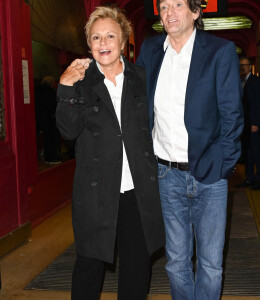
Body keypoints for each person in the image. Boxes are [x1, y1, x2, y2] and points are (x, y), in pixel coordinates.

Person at [136, 0, 243, 299]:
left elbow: (232, 115)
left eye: (178, 4)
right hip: (165, 174)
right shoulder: (150, 51)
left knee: (210, 264)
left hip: (209, 174)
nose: (169, 12)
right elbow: (133, 99)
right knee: (176, 262)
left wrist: (224, 166)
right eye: (164, 5)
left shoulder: (220, 51)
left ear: (196, 11)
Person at [55, 6, 165, 300]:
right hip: (95, 192)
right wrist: (65, 87)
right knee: (90, 266)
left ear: (124, 41)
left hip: (137, 191)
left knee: (137, 267)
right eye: (96, 37)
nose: (103, 43)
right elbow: (67, 131)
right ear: (89, 45)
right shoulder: (79, 81)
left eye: (110, 36)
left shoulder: (141, 78)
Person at [236, 56, 260, 190]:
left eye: (245, 65)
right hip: (243, 124)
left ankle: (259, 179)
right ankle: (249, 178)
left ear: (250, 66)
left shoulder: (256, 81)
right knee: (247, 152)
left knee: (256, 152)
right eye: (240, 65)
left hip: (253, 124)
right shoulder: (238, 81)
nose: (243, 68)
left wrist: (256, 123)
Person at [35, 76, 61, 164]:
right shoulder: (51, 92)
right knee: (51, 138)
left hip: (40, 119)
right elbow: (54, 106)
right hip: (50, 119)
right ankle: (52, 158)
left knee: (46, 139)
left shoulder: (37, 91)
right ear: (51, 83)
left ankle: (47, 157)